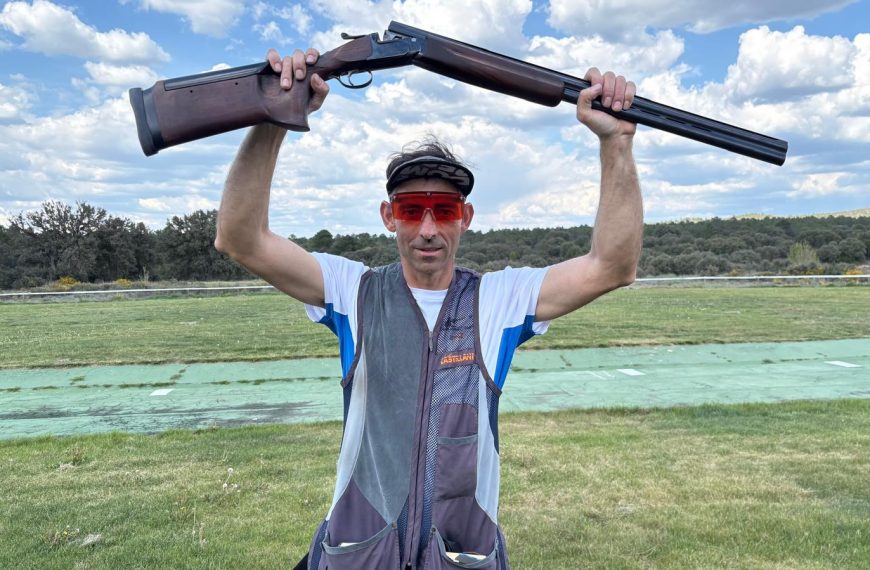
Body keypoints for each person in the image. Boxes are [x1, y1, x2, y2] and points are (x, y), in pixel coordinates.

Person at [215, 47, 641, 570]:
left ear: (466, 217)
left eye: (444, 210)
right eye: (411, 210)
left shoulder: (497, 300)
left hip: (460, 554)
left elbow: (612, 265)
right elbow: (240, 238)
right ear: (388, 217)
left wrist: (616, 143)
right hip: (361, 552)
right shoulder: (355, 291)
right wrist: (274, 117)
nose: (428, 229)